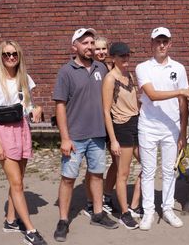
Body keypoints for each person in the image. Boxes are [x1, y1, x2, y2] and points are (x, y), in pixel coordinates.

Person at [52, 28, 118, 242]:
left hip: (97, 134)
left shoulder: (101, 67)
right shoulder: (66, 71)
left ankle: (98, 214)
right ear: (75, 46)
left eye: (91, 42)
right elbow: (60, 106)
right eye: (84, 43)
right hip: (75, 137)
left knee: (97, 175)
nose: (89, 47)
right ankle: (63, 220)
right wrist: (64, 137)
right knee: (68, 179)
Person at [0, 40, 47, 245]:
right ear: (0, 56)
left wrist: (36, 109)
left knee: (18, 180)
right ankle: (30, 231)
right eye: (6, 54)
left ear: (19, 56)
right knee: (17, 183)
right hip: (4, 132)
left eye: (14, 54)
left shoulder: (24, 78)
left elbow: (27, 105)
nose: (10, 57)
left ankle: (11, 220)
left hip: (22, 130)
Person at [135, 27, 189, 231]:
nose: (161, 45)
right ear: (151, 44)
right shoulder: (143, 68)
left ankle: (167, 208)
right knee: (149, 171)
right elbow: (151, 94)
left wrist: (183, 132)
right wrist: (180, 91)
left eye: (165, 41)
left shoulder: (178, 68)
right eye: (157, 41)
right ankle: (148, 211)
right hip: (148, 127)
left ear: (170, 44)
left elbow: (183, 103)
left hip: (172, 127)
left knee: (170, 171)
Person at [102, 42, 143, 229]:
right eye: (122, 56)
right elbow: (106, 110)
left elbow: (135, 101)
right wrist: (114, 140)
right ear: (113, 58)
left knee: (147, 165)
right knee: (123, 173)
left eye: (128, 55)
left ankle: (134, 205)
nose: (126, 59)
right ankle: (124, 213)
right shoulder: (110, 79)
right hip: (121, 126)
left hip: (136, 123)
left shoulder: (130, 75)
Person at [82, 35, 116, 217]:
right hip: (96, 123)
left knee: (117, 162)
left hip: (113, 122)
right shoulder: (90, 68)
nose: (101, 52)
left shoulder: (111, 67)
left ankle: (107, 195)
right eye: (98, 48)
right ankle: (90, 201)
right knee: (93, 166)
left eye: (104, 48)